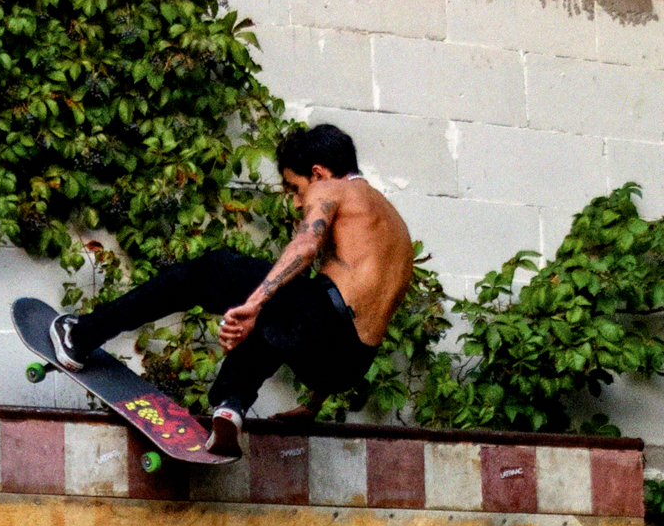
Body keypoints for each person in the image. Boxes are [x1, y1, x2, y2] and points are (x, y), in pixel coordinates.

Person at [49, 124, 415, 456]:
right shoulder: (395, 228)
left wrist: (252, 304)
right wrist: (313, 405)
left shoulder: (330, 188)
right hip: (348, 366)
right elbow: (349, 319)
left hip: (320, 321)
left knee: (211, 271)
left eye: (295, 188)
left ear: (317, 173)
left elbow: (305, 247)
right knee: (282, 314)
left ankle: (80, 337)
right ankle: (230, 404)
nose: (297, 201)